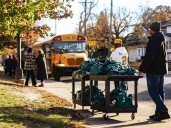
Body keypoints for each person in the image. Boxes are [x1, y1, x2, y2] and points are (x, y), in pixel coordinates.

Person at [139, 21, 170, 121]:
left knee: (153, 91)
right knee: (160, 91)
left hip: (153, 69)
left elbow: (150, 57)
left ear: (152, 30)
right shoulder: (161, 39)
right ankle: (159, 112)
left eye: (150, 29)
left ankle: (164, 111)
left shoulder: (153, 40)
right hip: (161, 69)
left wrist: (141, 68)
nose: (149, 30)